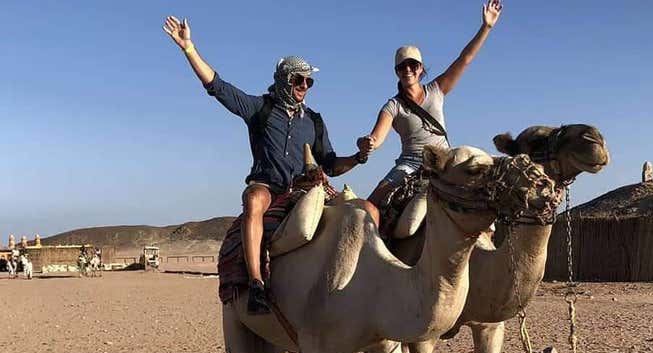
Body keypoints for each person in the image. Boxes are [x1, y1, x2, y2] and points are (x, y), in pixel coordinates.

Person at [163, 16, 367, 314]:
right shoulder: (260, 109)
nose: (305, 86)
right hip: (268, 186)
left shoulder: (314, 121)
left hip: (305, 188)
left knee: (358, 213)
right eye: (300, 80)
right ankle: (257, 283)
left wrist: (359, 157)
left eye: (309, 81)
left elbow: (332, 165)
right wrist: (189, 48)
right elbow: (218, 87)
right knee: (254, 200)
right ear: (285, 80)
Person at [358, 0, 503, 225]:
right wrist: (366, 144)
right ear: (396, 72)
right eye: (402, 66)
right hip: (410, 163)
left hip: (445, 159)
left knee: (485, 186)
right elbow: (376, 138)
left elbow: (465, 59)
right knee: (370, 205)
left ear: (421, 69)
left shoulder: (437, 89)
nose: (408, 70)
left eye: (413, 65)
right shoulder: (393, 106)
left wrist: (486, 27)